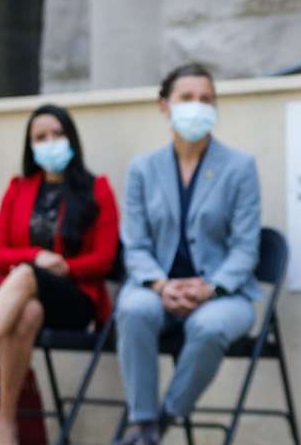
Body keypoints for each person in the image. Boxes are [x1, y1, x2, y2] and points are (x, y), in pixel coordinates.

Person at [0, 104, 119, 445]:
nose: (50, 142)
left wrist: (62, 267)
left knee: (24, 277)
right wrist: (36, 256)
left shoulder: (98, 189)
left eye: (57, 134)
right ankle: (6, 426)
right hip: (22, 300)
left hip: (74, 301)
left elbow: (104, 259)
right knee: (26, 310)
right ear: (30, 146)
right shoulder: (18, 189)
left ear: (72, 139)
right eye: (40, 137)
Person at [112, 63, 262, 445]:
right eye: (187, 98)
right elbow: (136, 243)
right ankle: (142, 419)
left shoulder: (239, 167)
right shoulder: (143, 169)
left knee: (208, 327)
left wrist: (210, 289)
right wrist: (161, 285)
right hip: (156, 287)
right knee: (133, 309)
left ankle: (163, 420)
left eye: (206, 99)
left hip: (222, 294)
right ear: (165, 105)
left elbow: (246, 248)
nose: (198, 106)